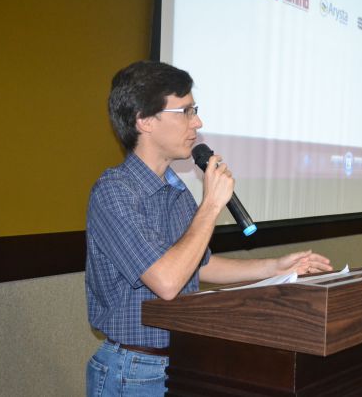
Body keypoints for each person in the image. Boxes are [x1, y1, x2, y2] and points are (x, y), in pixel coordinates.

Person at [85, 61, 332, 396]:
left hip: (182, 362)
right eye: (185, 111)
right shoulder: (114, 192)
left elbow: (198, 265)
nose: (197, 122)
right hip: (134, 371)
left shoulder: (175, 190)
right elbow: (167, 281)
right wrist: (212, 204)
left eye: (195, 110)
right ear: (144, 120)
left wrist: (276, 267)